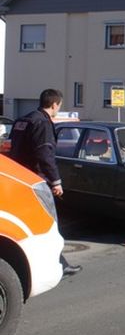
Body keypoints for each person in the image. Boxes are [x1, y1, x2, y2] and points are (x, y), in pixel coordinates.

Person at [9, 89, 82, 276]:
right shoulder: (42, 123)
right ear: (54, 104)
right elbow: (45, 154)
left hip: (19, 179)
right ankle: (57, 263)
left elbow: (12, 147)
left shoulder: (22, 120)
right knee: (49, 222)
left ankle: (32, 263)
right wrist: (56, 181)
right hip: (36, 181)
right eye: (59, 105)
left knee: (25, 225)